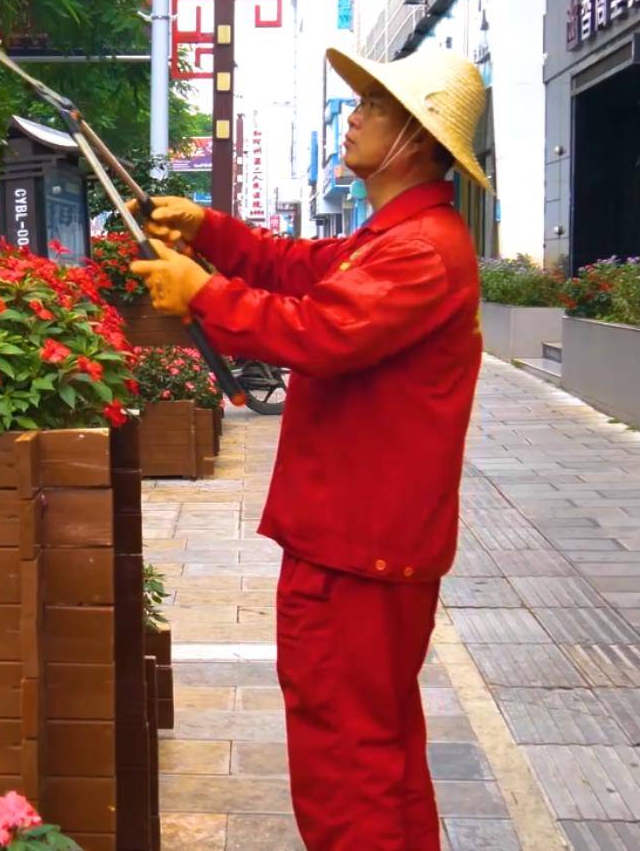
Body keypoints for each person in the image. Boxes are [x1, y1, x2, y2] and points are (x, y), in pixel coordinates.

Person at [128, 46, 488, 851]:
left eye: (378, 106)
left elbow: (317, 331)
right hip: (361, 543)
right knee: (378, 749)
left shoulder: (419, 249)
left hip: (358, 551)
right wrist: (210, 231)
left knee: (347, 759)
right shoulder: (395, 237)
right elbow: (299, 268)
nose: (355, 114)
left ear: (420, 141)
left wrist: (203, 290)